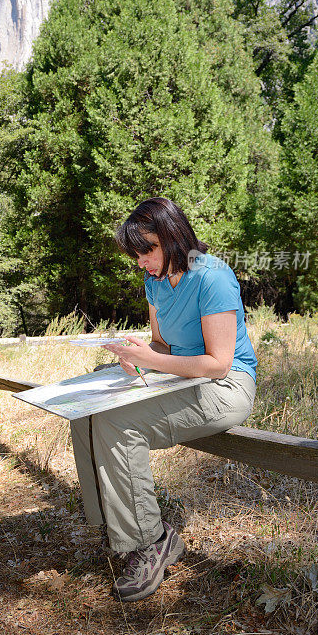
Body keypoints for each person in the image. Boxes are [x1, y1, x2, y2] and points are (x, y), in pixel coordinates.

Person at [70, 197, 257, 603]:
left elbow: (219, 364)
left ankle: (151, 542)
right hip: (180, 379)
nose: (141, 262)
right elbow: (160, 344)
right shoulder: (154, 282)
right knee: (84, 411)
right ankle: (112, 524)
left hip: (226, 387)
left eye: (147, 250)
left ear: (174, 237)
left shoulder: (214, 278)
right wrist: (133, 357)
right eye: (136, 254)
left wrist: (153, 360)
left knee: (116, 424)